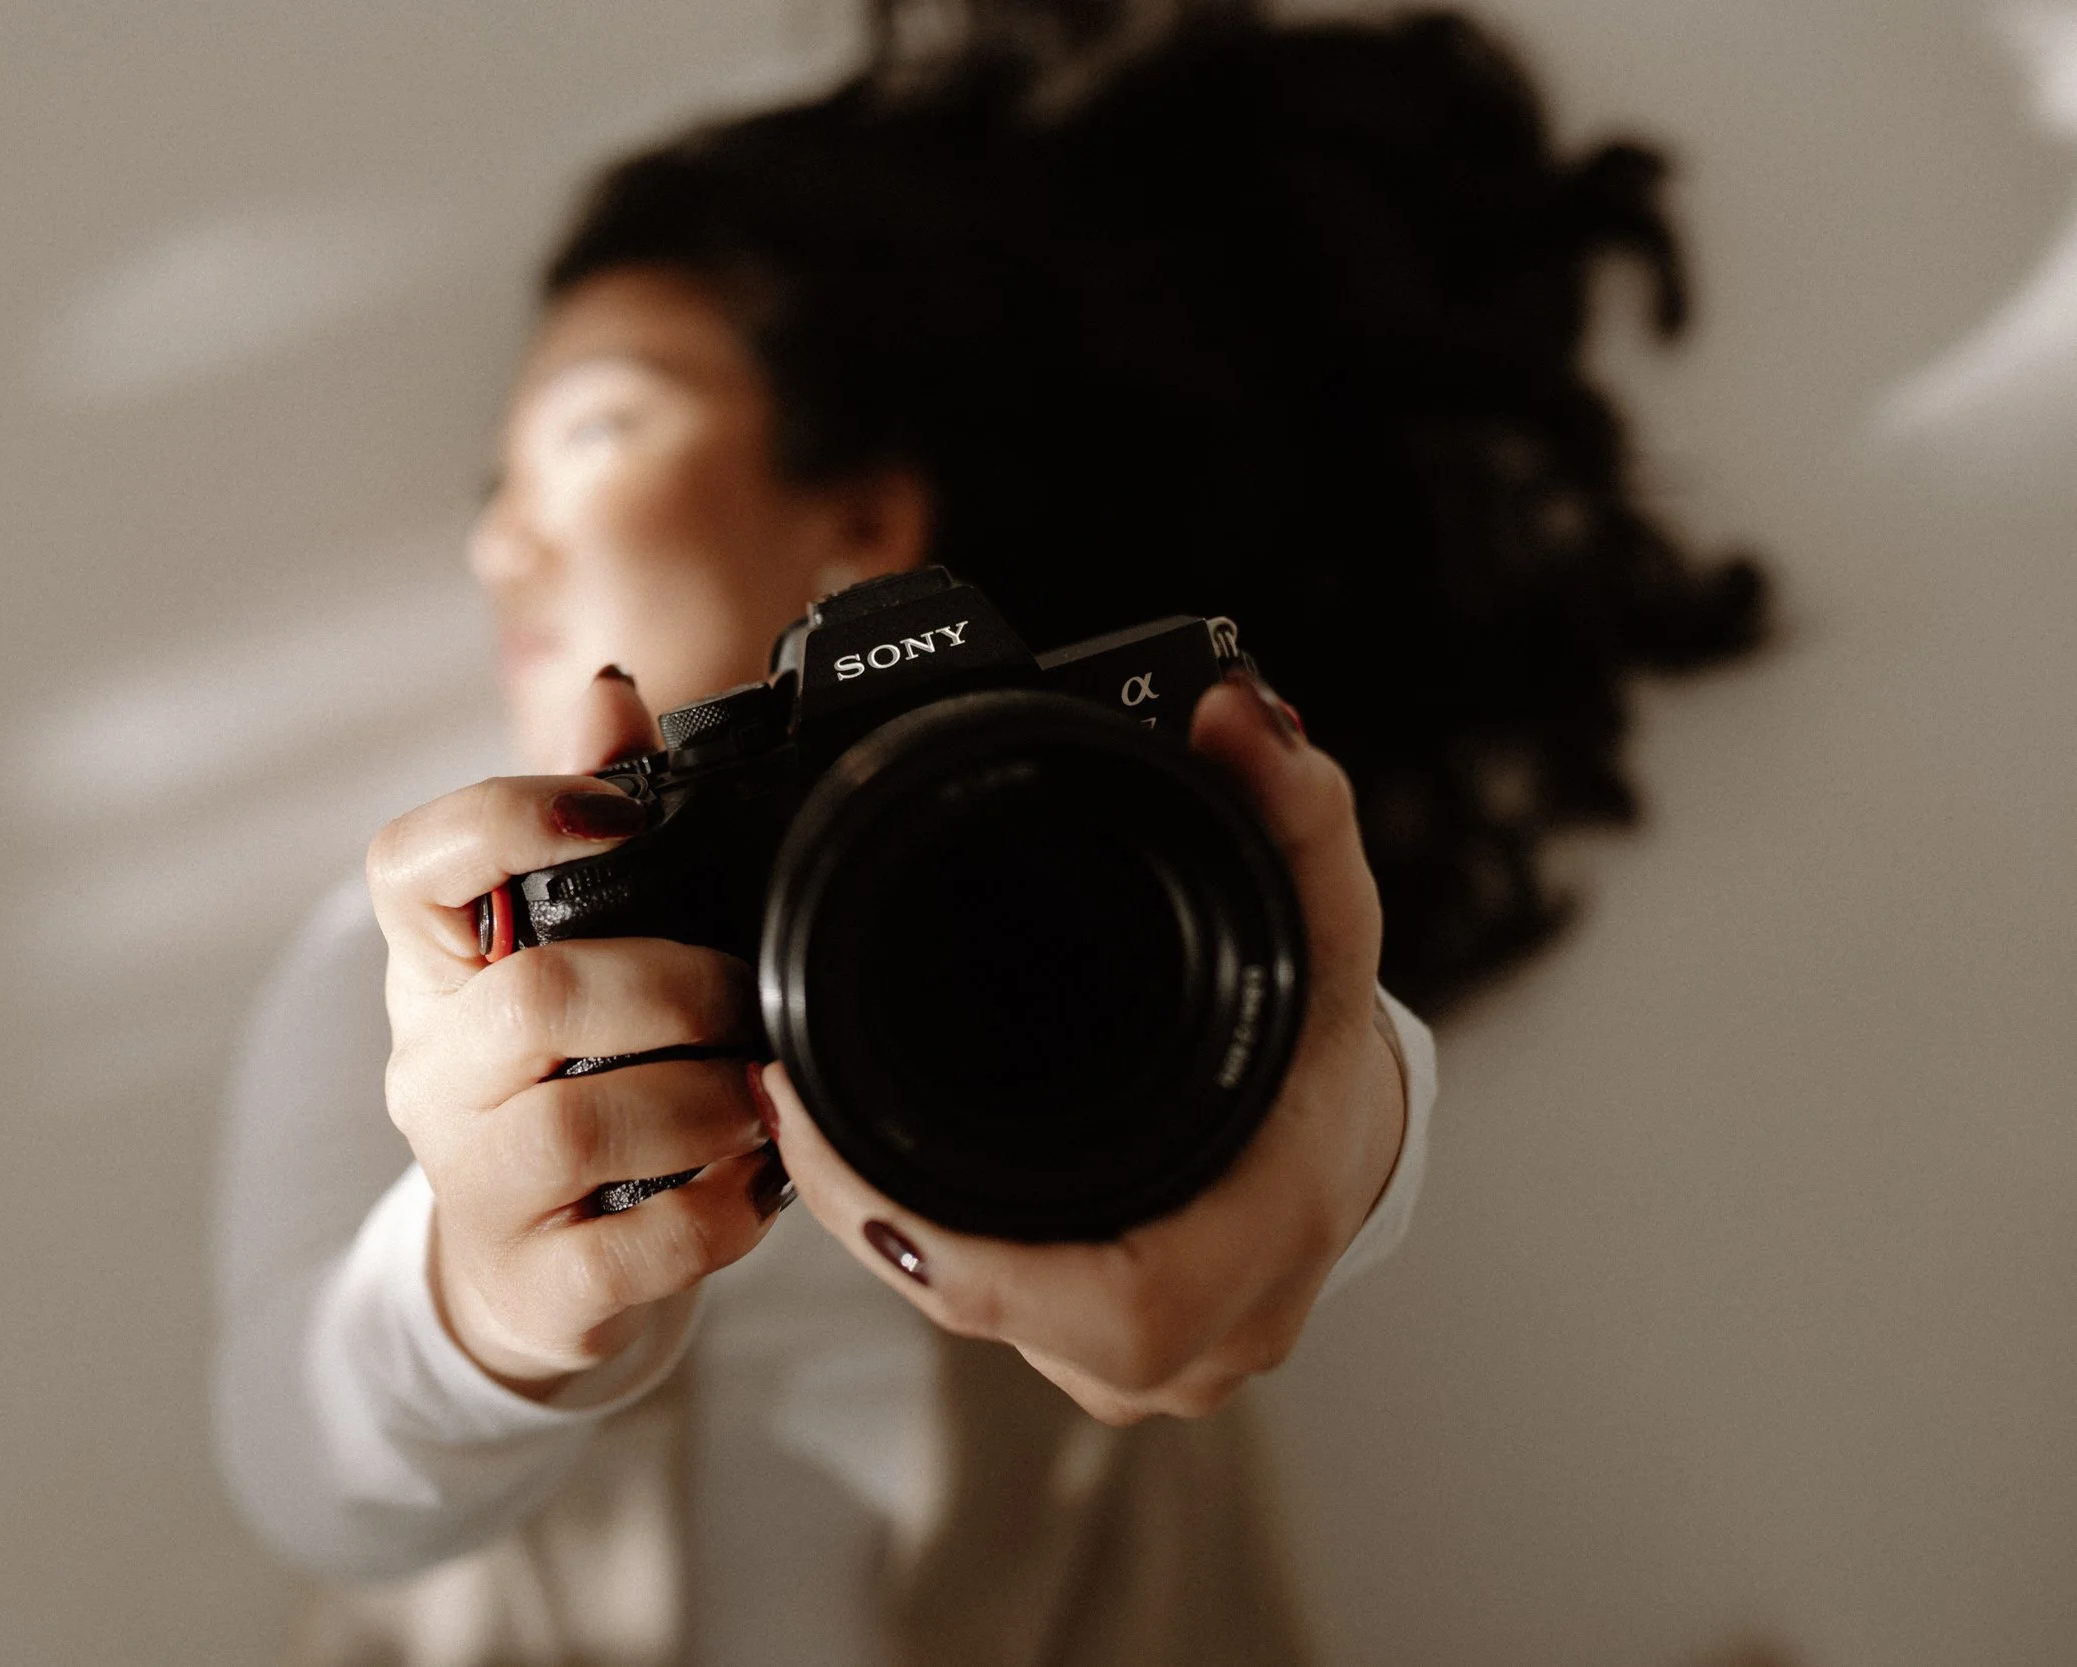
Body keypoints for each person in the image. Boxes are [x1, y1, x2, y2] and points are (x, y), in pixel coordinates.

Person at [213, 3, 1766, 1663]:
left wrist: (1348, 1130)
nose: (499, 547)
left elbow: (1306, 1038)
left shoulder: (1076, 828)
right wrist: (479, 1293)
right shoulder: (433, 953)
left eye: (591, 434)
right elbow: (307, 1478)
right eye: (488, 496)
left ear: (864, 514)